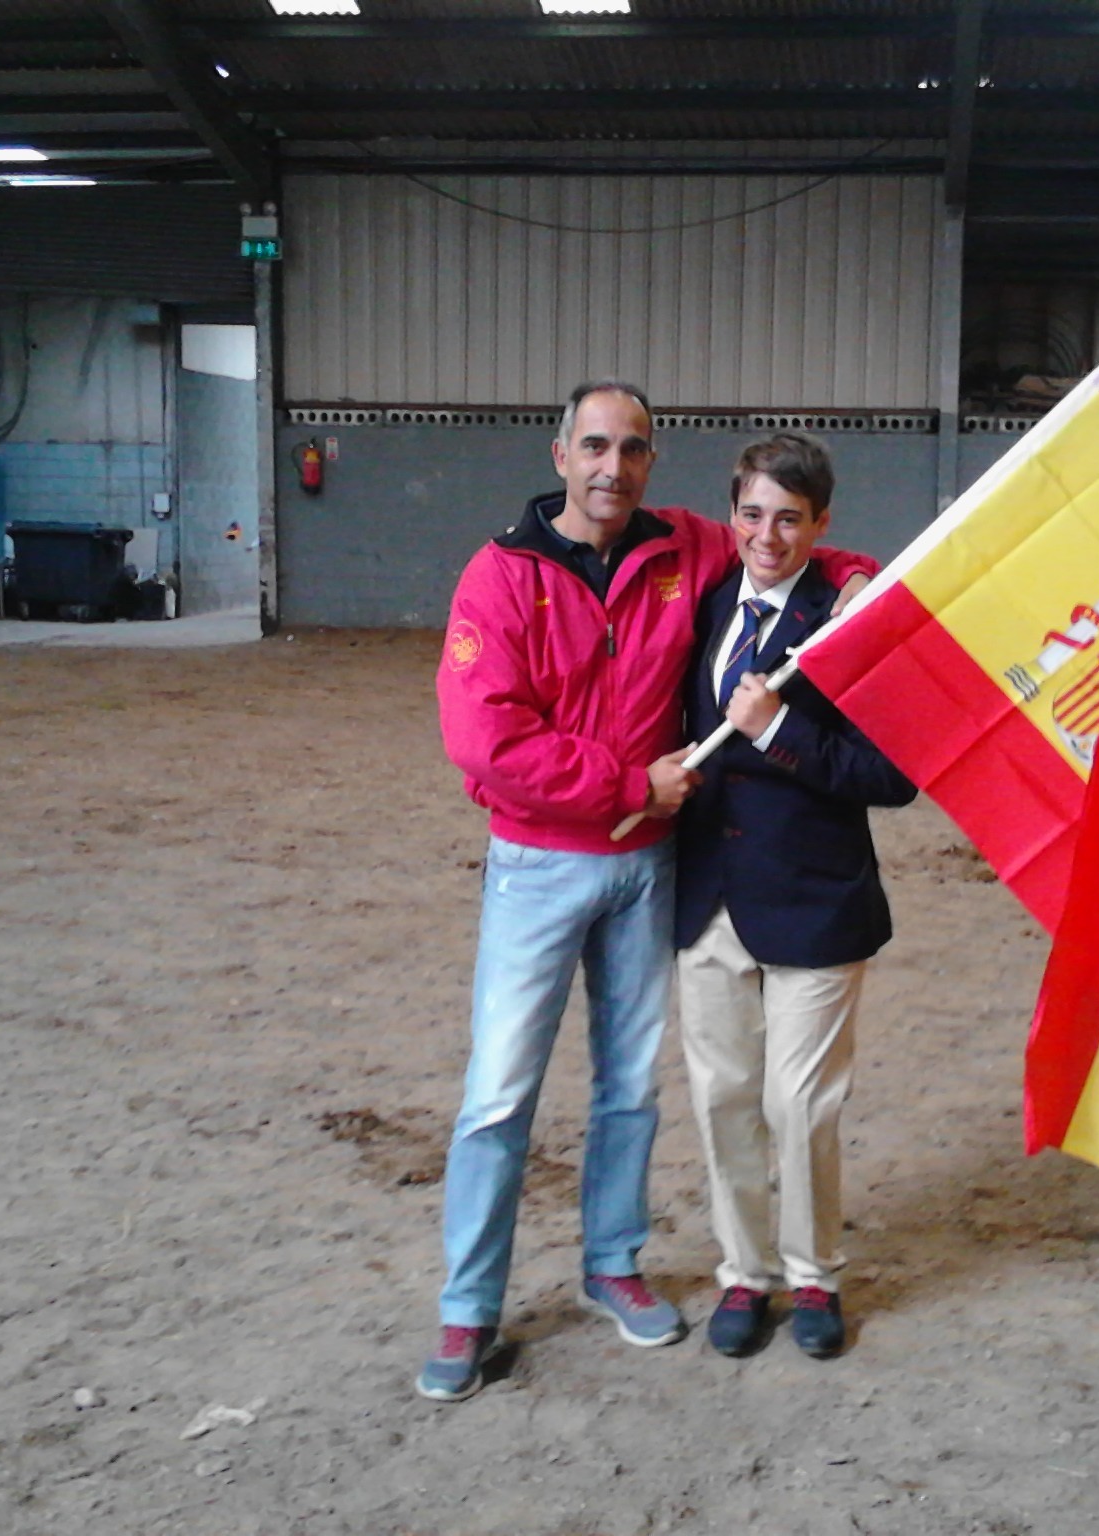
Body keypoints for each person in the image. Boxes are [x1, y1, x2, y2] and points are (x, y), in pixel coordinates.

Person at [423, 384, 877, 1402]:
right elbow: (484, 742)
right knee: (500, 1092)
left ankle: (612, 1266)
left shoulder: (684, 549)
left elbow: (790, 553)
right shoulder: (499, 577)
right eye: (594, 447)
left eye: (631, 450)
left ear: (650, 462)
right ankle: (466, 1311)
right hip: (541, 863)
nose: (611, 468)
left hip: (649, 869)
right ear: (558, 453)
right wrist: (629, 787)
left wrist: (857, 576)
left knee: (629, 1087)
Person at [672, 433, 916, 1360]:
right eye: (751, 514)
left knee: (797, 1102)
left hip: (815, 900)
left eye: (788, 518)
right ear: (732, 514)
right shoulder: (702, 607)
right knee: (724, 1097)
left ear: (821, 524)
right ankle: (745, 1275)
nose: (766, 536)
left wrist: (780, 733)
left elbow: (893, 775)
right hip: (707, 898)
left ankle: (813, 1276)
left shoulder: (850, 624)